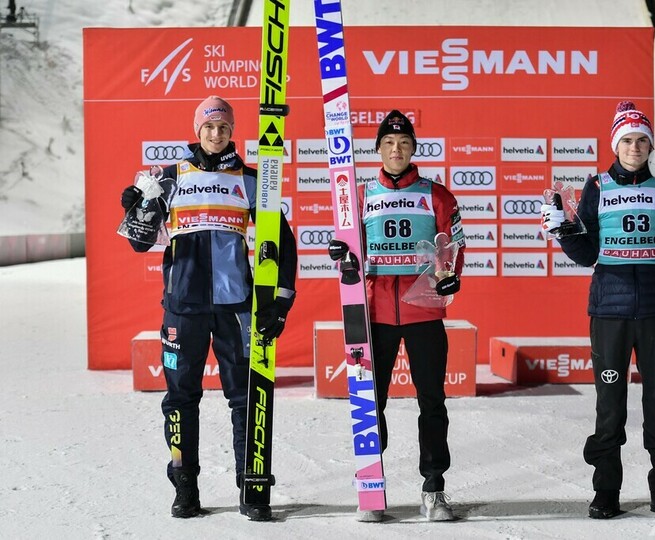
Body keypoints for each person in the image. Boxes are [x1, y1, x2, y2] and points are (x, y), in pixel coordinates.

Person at [119, 96, 297, 521]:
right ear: (197, 130)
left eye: (223, 127)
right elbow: (139, 242)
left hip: (236, 306)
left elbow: (284, 243)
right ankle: (185, 487)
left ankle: (252, 486)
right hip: (183, 307)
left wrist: (281, 301)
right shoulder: (169, 178)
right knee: (181, 398)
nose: (216, 134)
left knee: (246, 398)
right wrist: (137, 206)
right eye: (209, 127)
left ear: (232, 131)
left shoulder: (251, 180)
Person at [541, 101, 655, 520]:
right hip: (609, 312)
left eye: (642, 140)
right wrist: (563, 230)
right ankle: (606, 490)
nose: (635, 147)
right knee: (610, 405)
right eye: (627, 140)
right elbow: (587, 252)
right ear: (615, 145)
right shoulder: (597, 186)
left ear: (651, 146)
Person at [329, 110, 465, 522]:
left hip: (423, 312)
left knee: (432, 401)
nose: (396, 150)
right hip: (374, 314)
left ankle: (434, 489)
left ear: (413, 149)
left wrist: (449, 276)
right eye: (388, 144)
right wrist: (339, 252)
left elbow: (453, 247)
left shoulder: (436, 195)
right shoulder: (360, 195)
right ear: (378, 150)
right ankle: (371, 487)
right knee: (371, 402)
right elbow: (347, 248)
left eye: (404, 143)